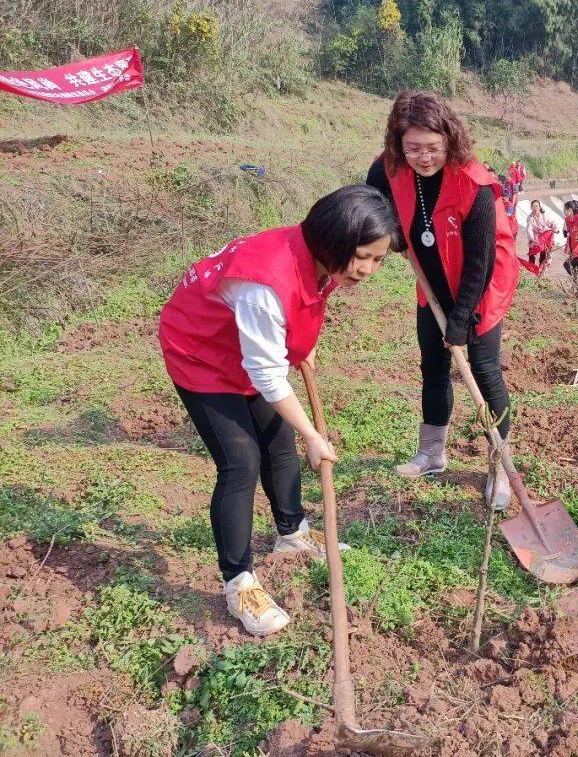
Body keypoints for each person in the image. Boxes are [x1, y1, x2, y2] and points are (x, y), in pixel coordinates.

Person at [158, 186, 403, 635]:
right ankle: (239, 583)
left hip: (243, 350)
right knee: (240, 463)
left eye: (378, 259)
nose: (367, 270)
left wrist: (295, 349)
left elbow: (290, 324)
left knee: (278, 445)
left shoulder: (319, 258)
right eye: (362, 256)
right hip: (200, 354)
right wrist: (314, 434)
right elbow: (268, 374)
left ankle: (292, 534)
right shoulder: (264, 282)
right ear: (333, 241)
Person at [366, 91, 519, 511]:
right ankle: (432, 454)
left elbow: (481, 262)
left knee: (485, 372)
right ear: (397, 142)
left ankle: (499, 467)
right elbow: (374, 206)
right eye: (412, 147)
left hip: (481, 285)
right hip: (431, 280)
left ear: (450, 140)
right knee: (432, 366)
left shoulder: (475, 185)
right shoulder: (387, 168)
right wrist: (392, 235)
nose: (423, 157)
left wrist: (462, 316)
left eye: (433, 148)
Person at [526, 199, 557, 272]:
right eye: (533, 206)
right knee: (532, 255)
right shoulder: (530, 218)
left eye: (536, 206)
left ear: (539, 207)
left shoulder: (544, 215)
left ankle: (540, 270)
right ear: (531, 208)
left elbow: (551, 223)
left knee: (543, 255)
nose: (535, 208)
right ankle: (531, 270)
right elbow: (529, 229)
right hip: (535, 238)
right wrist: (532, 239)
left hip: (544, 238)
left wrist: (555, 228)